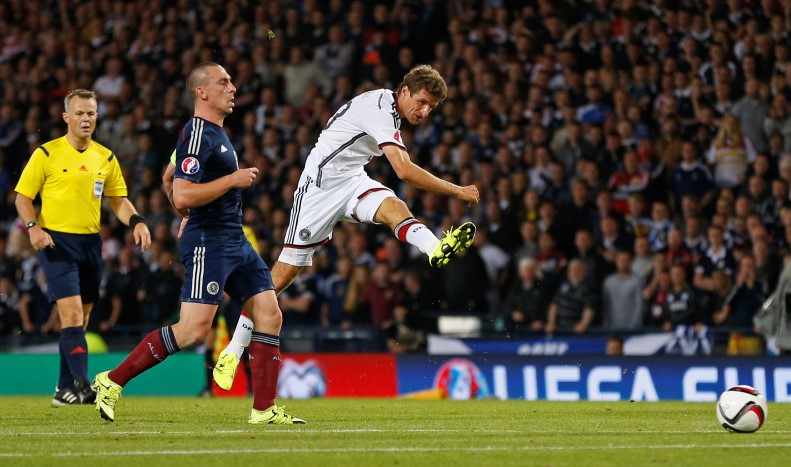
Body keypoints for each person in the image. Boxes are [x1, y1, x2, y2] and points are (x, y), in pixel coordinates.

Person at [212, 64, 480, 390]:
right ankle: (233, 350)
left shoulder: (390, 109)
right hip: (319, 189)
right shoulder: (380, 109)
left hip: (352, 180)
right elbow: (404, 171)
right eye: (421, 102)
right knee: (279, 279)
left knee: (394, 207)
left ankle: (435, 248)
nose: (424, 112)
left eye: (431, 108)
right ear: (405, 91)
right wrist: (458, 190)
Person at [92, 62, 306, 425]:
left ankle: (264, 409)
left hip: (233, 238)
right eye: (224, 82)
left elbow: (169, 178)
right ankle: (111, 380)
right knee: (193, 329)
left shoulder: (214, 134)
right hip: (209, 241)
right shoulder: (196, 132)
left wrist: (185, 213)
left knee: (269, 314)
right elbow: (183, 191)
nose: (233, 87)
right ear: (201, 92)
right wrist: (230, 182)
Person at [14, 89, 152, 406]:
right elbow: (23, 197)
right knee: (73, 314)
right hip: (55, 242)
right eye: (79, 113)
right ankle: (81, 384)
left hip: (91, 244)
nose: (86, 118)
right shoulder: (46, 154)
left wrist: (137, 221)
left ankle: (63, 390)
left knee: (81, 319)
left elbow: (118, 199)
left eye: (91, 113)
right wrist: (33, 228)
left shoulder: (105, 157)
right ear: (66, 117)